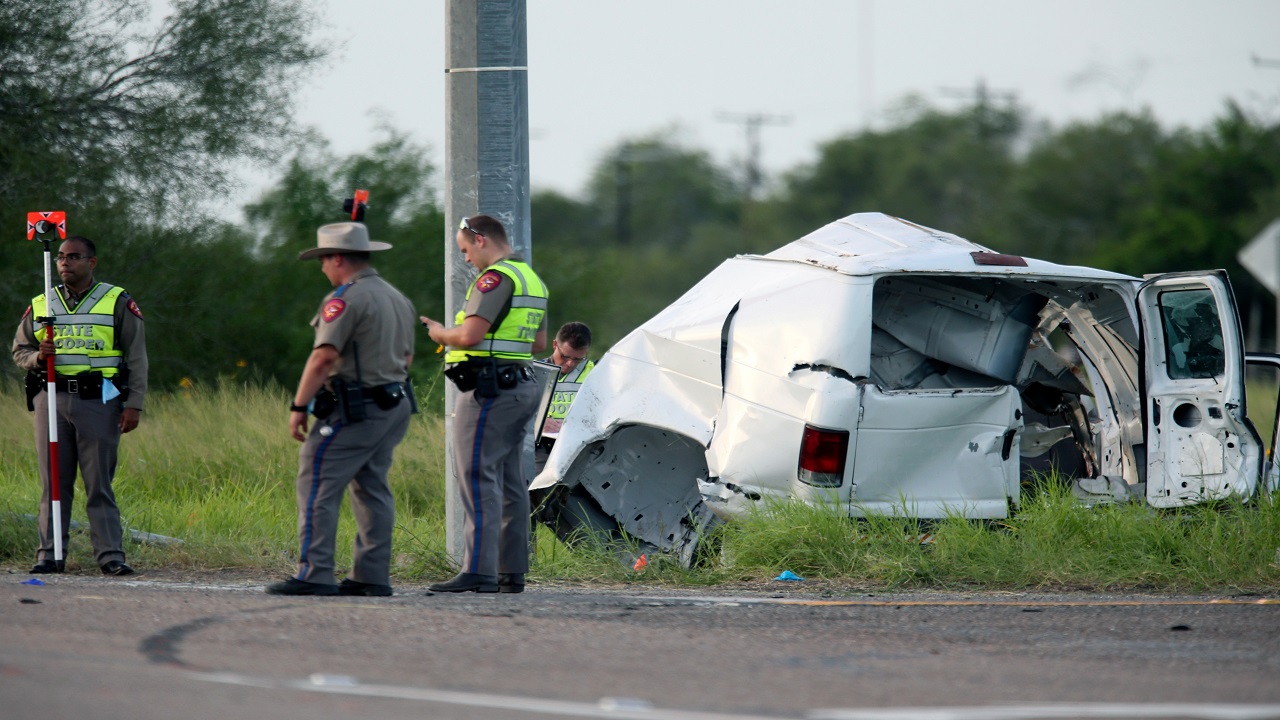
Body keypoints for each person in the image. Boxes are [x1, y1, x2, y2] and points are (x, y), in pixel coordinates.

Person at [265, 222, 417, 597]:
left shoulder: (345, 298)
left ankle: (314, 572)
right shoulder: (398, 297)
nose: (321, 268)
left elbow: (323, 357)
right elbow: (408, 356)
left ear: (337, 258)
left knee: (317, 483)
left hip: (356, 408)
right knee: (372, 487)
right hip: (393, 404)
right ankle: (371, 576)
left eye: (322, 260)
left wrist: (299, 405)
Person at [421, 214, 548, 594]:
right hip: (521, 385)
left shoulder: (495, 278)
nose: (465, 259)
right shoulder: (533, 280)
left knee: (477, 476)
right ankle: (511, 571)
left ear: (480, 240)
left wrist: (440, 333)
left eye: (464, 250)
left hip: (490, 392)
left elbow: (472, 333)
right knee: (510, 481)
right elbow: (539, 344)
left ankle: (478, 570)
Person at [12, 235, 148, 576]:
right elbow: (20, 350)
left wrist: (134, 404)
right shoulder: (43, 301)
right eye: (60, 257)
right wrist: (37, 358)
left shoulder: (117, 300)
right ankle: (50, 554)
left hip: (99, 399)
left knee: (98, 481)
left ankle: (110, 555)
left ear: (92, 262)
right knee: (54, 482)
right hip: (51, 399)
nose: (64, 263)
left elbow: (137, 356)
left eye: (74, 257)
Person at [535, 321, 595, 473]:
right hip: (540, 448)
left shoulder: (597, 373)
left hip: (579, 449)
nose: (569, 364)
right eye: (565, 356)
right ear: (555, 344)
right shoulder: (535, 371)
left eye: (578, 359)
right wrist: (540, 422)